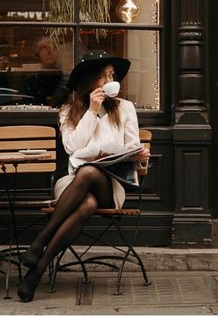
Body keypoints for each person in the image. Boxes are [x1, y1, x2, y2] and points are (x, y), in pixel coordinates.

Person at [17, 50, 150, 302]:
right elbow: (73, 148)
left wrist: (139, 156)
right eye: (104, 76)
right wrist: (91, 111)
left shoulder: (124, 108)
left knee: (89, 171)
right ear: (90, 82)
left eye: (112, 75)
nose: (111, 80)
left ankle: (41, 240)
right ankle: (38, 270)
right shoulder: (68, 111)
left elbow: (132, 147)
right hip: (73, 184)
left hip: (110, 184)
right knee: (86, 203)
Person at [24, 36, 69, 107]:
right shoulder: (31, 82)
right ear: (37, 55)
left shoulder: (65, 79)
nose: (49, 52)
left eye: (53, 47)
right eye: (44, 48)